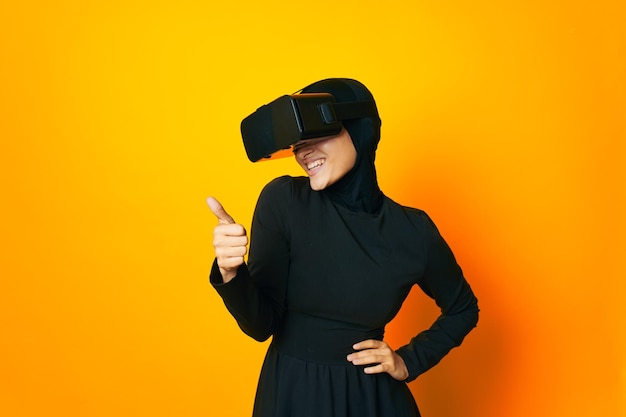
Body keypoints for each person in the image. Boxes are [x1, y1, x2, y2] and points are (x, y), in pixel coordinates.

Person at [207, 78, 479, 417]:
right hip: (293, 396)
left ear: (359, 130)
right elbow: (261, 325)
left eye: (315, 135)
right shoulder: (284, 202)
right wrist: (231, 273)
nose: (302, 152)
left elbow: (463, 308)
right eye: (296, 144)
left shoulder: (413, 230)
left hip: (374, 401)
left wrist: (408, 361)